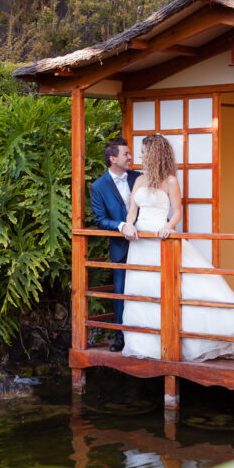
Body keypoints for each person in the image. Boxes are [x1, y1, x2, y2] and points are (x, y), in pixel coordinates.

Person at [121, 134, 234, 361]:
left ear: (154, 153)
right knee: (142, 289)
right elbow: (132, 211)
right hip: (140, 243)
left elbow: (177, 212)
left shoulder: (170, 181)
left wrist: (168, 226)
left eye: (144, 151)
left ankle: (181, 342)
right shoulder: (139, 180)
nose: (140, 155)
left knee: (170, 288)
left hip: (161, 238)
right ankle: (145, 346)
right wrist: (128, 225)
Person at [90, 138, 140, 352]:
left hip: (146, 244)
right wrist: (121, 225)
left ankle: (148, 335)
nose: (130, 157)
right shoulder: (98, 186)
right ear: (113, 158)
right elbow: (100, 219)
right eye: (126, 154)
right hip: (121, 245)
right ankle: (120, 337)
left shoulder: (139, 178)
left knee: (147, 289)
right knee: (120, 292)